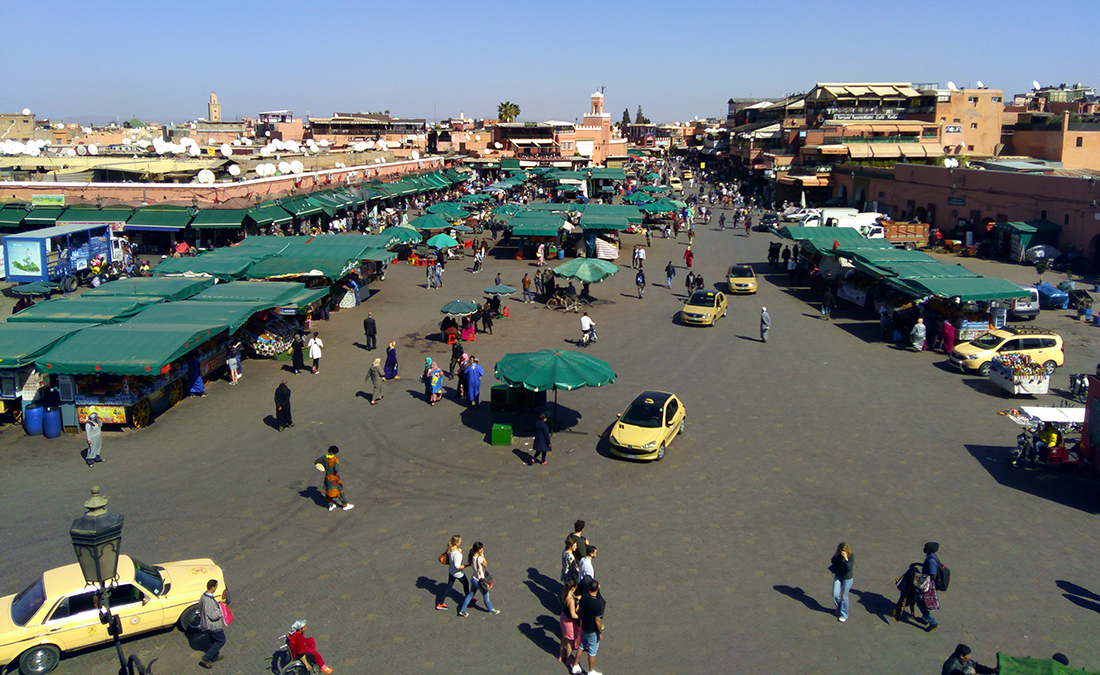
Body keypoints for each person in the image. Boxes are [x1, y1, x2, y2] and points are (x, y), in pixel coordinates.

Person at [458, 541, 500, 617]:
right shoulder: (479, 558)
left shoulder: (471, 557)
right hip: (480, 581)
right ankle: (491, 609)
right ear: (479, 549)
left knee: (471, 594)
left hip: (474, 578)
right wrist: (483, 556)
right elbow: (486, 565)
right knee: (486, 595)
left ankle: (463, 610)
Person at [576, 579, 606, 675]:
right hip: (592, 630)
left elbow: (580, 610)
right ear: (597, 588)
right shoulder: (598, 604)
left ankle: (575, 665)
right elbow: (597, 621)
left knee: (581, 645)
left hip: (584, 626)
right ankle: (590, 671)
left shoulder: (584, 597)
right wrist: (600, 631)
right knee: (592, 651)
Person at [198, 579, 228, 669]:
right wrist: (221, 610)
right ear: (212, 588)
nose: (216, 588)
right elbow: (213, 615)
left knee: (213, 641)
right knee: (221, 640)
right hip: (213, 626)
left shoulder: (204, 596)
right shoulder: (209, 601)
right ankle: (206, 658)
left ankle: (214, 657)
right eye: (216, 586)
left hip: (206, 624)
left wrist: (218, 604)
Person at [436, 535, 468, 611]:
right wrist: (467, 565)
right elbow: (458, 566)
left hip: (451, 571)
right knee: (466, 583)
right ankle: (468, 598)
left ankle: (440, 603)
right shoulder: (457, 555)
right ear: (457, 543)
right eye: (460, 540)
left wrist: (458, 550)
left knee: (449, 587)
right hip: (458, 573)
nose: (461, 541)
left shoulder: (449, 549)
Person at [320, 446, 354, 511]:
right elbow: (336, 469)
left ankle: (330, 505)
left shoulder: (324, 457)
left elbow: (317, 462)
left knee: (328, 491)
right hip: (334, 478)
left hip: (327, 477)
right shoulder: (335, 459)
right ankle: (345, 505)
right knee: (340, 491)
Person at [559, 578, 582, 671]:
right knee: (570, 642)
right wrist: (580, 618)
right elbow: (573, 614)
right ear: (573, 588)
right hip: (569, 622)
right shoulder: (571, 600)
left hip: (563, 618)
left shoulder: (564, 594)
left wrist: (577, 597)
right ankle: (568, 659)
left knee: (564, 638)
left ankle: (561, 655)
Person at [830, 542, 855, 623]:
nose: (842, 552)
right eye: (840, 551)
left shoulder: (851, 556)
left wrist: (846, 559)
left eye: (843, 551)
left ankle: (844, 614)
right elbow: (833, 561)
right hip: (838, 576)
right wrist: (836, 555)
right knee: (835, 594)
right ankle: (840, 609)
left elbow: (849, 568)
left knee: (844, 597)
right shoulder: (838, 555)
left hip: (847, 579)